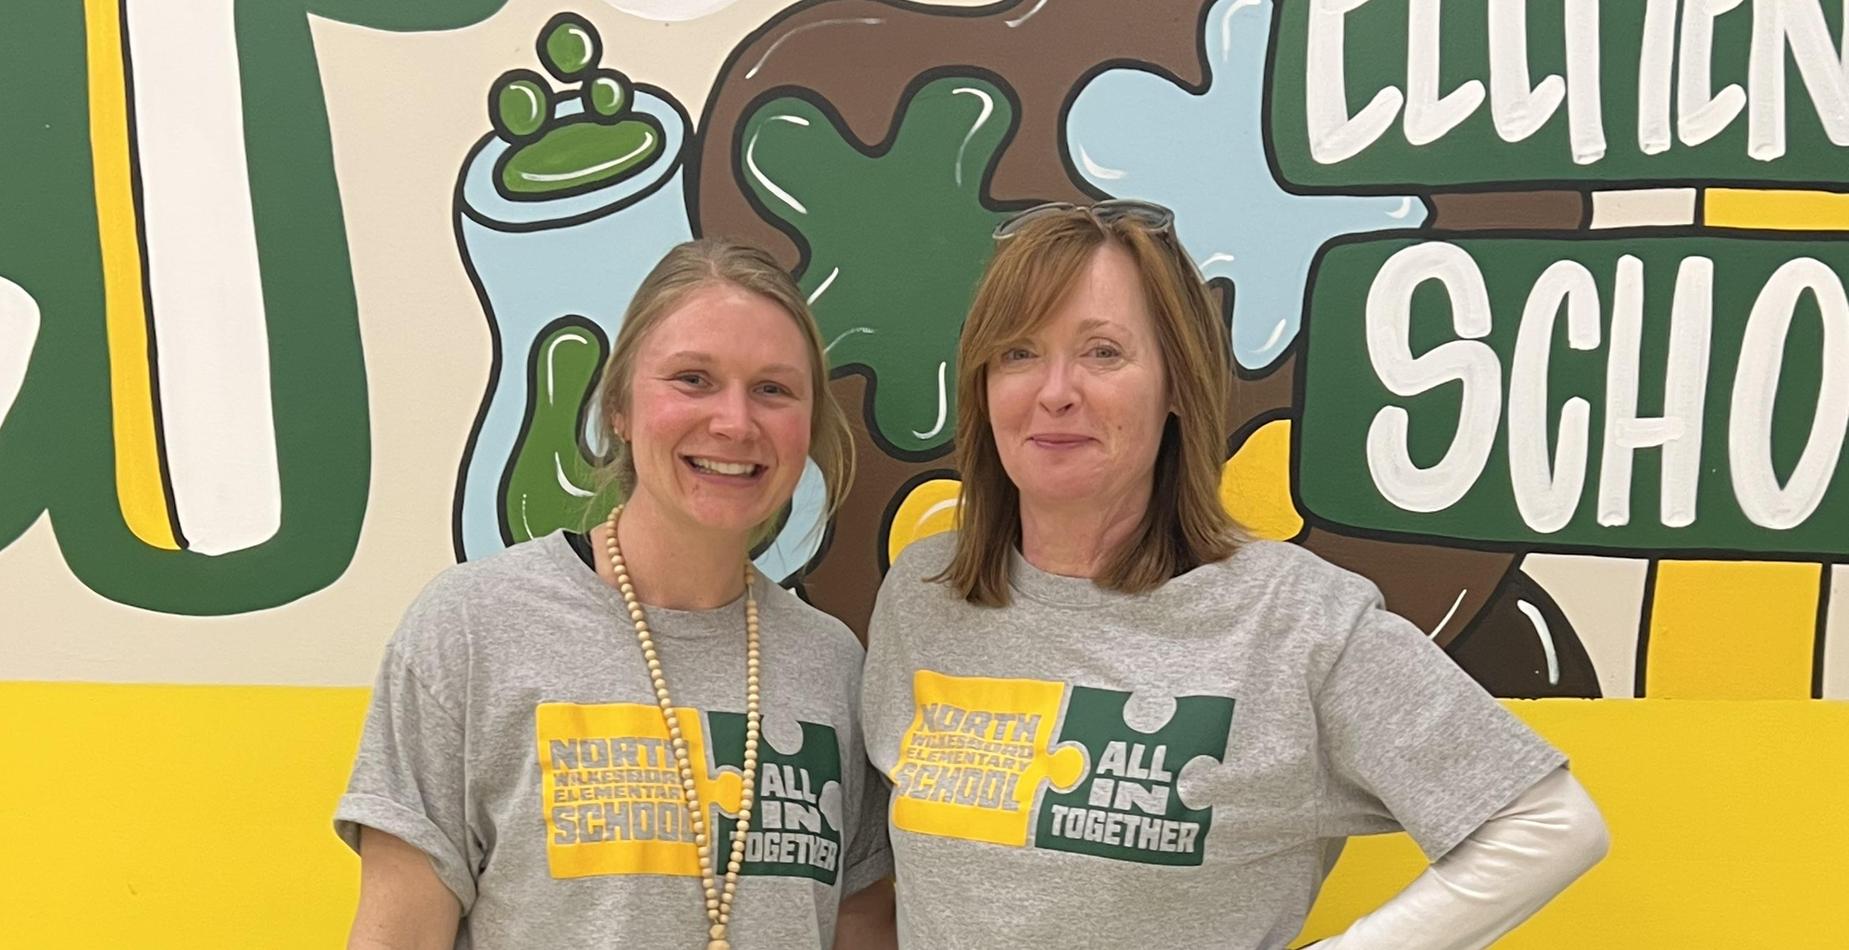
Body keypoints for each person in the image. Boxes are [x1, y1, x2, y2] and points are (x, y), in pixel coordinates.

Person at [861, 201, 1608, 948]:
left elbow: (1546, 824)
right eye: (1019, 352)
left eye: (1103, 353)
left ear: (1178, 385)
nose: (1055, 390)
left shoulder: (1292, 620)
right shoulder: (925, 595)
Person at [337, 238, 894, 950]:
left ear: (807, 428)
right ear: (620, 410)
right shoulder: (475, 629)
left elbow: (860, 920)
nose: (733, 422)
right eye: (692, 379)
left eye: (772, 389)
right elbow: (400, 933)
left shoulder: (830, 665)